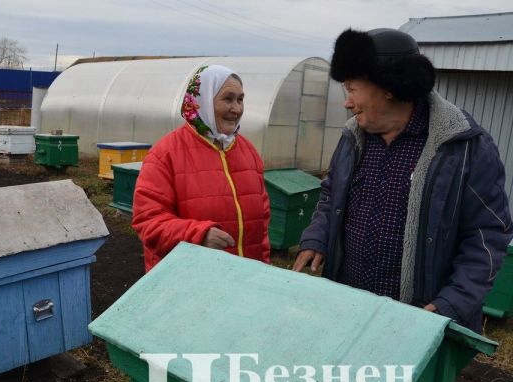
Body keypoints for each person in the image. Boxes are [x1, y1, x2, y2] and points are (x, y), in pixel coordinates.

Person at [294, 28, 512, 332]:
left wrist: (453, 302)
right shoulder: (352, 138)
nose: (347, 102)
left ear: (388, 87)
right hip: (346, 306)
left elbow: (487, 234)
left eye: (352, 90)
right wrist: (317, 237)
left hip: (418, 322)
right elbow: (332, 195)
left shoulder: (462, 146)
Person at [132, 64, 271, 272]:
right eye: (228, 99)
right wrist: (197, 234)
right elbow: (148, 221)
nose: (237, 109)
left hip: (244, 281)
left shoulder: (248, 151)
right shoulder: (166, 154)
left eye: (240, 99)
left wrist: (265, 270)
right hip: (188, 282)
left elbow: (262, 225)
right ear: (203, 100)